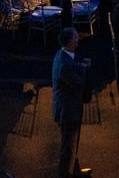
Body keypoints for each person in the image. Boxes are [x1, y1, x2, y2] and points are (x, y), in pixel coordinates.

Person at [52, 27, 89, 178]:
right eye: (75, 38)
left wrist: (80, 67)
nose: (77, 39)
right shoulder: (65, 65)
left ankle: (73, 169)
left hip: (70, 108)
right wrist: (85, 70)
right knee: (68, 147)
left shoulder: (63, 55)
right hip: (68, 111)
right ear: (69, 42)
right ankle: (65, 174)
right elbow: (78, 83)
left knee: (71, 145)